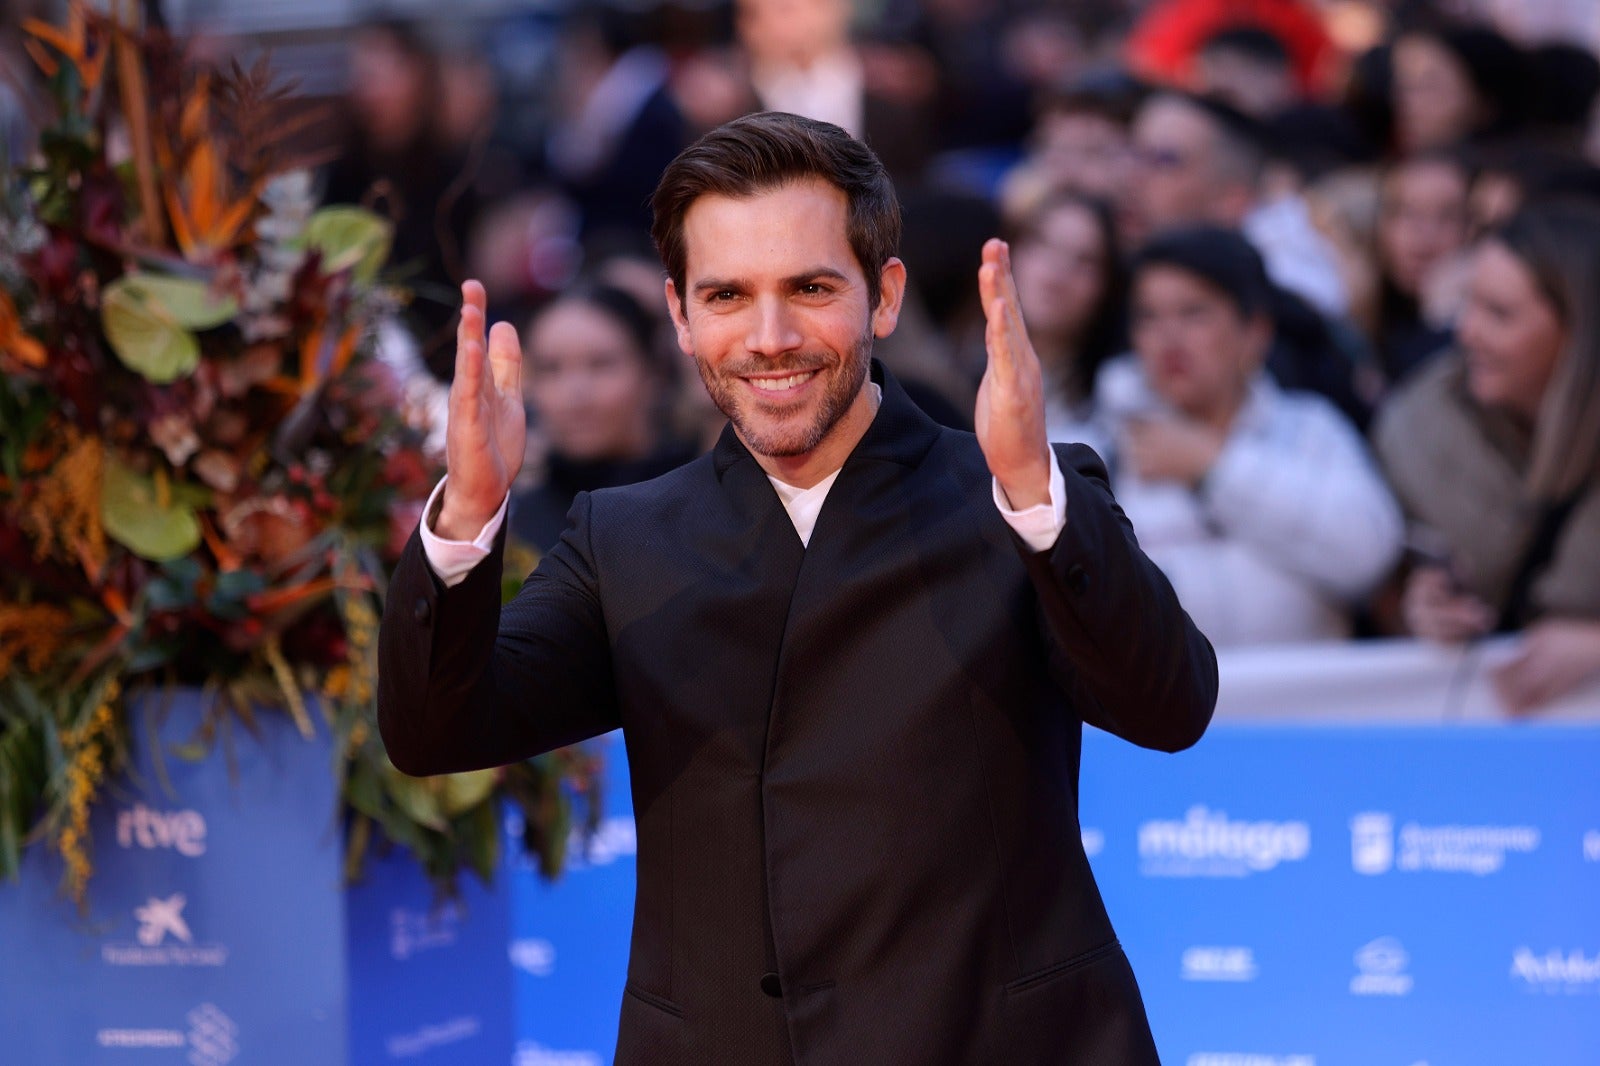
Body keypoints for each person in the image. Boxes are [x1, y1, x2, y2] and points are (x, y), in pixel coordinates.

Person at [378, 111, 1217, 1065]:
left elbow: (1170, 705)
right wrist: (464, 520)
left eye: (810, 288)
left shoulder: (1023, 495)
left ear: (883, 295)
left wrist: (1032, 491)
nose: (770, 337)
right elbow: (434, 731)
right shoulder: (624, 536)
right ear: (682, 317)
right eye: (728, 295)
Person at [1091, 226, 1403, 645]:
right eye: (1148, 317)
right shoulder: (1096, 447)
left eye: (1193, 313)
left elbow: (1368, 556)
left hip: (1304, 705)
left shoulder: (1313, 429)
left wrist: (1216, 467)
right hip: (1166, 710)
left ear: (1255, 331)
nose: (1168, 339)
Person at [1373, 200, 1600, 713]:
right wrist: (1421, 608)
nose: (1465, 331)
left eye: (1498, 314)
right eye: (1468, 303)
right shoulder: (1422, 431)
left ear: (1581, 337)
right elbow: (1382, 592)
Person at [511, 282, 699, 552]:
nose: (575, 394)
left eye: (601, 364)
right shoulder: (517, 524)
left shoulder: (705, 502)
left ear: (653, 371)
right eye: (550, 369)